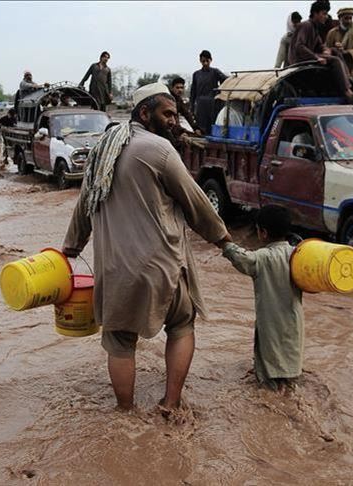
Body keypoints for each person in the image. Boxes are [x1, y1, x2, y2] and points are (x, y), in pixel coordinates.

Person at [62, 83, 231, 412]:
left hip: (114, 270)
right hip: (161, 267)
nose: (173, 120)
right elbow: (196, 203)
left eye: (175, 114)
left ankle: (124, 412)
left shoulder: (102, 151)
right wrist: (224, 241)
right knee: (182, 325)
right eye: (167, 113)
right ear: (144, 113)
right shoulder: (160, 151)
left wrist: (70, 249)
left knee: (119, 341)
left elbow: (85, 206)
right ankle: (170, 403)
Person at [222, 206, 304, 390]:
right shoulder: (297, 255)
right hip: (294, 322)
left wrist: (224, 243)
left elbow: (242, 258)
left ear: (263, 233)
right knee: (290, 373)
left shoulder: (263, 257)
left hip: (271, 325)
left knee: (269, 374)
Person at [289, 1, 353, 103]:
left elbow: (320, 45)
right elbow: (299, 47)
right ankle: (347, 92)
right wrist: (316, 58)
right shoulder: (306, 25)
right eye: (324, 13)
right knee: (335, 60)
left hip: (309, 57)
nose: (326, 17)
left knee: (335, 51)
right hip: (300, 60)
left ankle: (349, 80)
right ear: (315, 14)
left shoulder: (315, 27)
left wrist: (326, 50)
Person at [325, 7, 353, 93]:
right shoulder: (332, 33)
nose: (348, 21)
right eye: (346, 18)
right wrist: (336, 49)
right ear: (340, 18)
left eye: (350, 18)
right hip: (339, 66)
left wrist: (346, 52)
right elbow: (327, 49)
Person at [190, 50, 229, 134]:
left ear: (210, 60)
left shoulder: (215, 72)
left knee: (212, 125)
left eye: (207, 61)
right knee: (200, 127)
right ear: (200, 61)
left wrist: (221, 91)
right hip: (200, 105)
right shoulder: (196, 74)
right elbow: (193, 92)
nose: (205, 63)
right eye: (203, 61)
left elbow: (226, 80)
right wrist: (191, 107)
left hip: (213, 104)